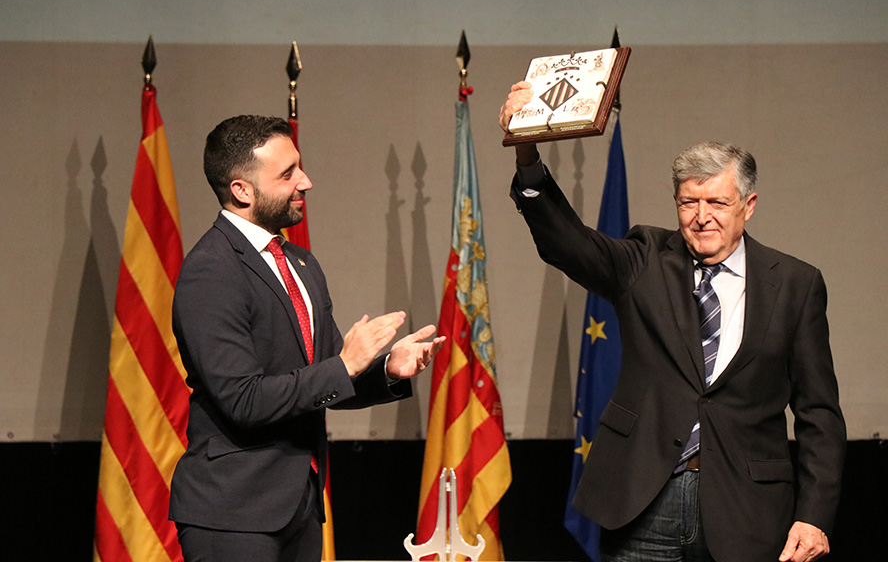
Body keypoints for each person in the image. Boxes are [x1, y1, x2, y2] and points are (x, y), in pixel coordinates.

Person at [499, 82, 845, 562]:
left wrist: (814, 514)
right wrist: (526, 154)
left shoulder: (796, 283)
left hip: (748, 509)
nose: (701, 217)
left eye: (717, 204)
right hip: (644, 502)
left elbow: (819, 414)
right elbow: (568, 243)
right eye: (688, 203)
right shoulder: (644, 259)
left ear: (749, 206)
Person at [169, 115, 445, 562]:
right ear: (241, 190)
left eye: (300, 166)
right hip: (234, 515)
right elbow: (243, 399)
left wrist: (386, 370)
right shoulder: (211, 271)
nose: (306, 182)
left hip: (299, 507)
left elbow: (327, 378)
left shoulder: (299, 263)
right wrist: (346, 365)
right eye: (287, 174)